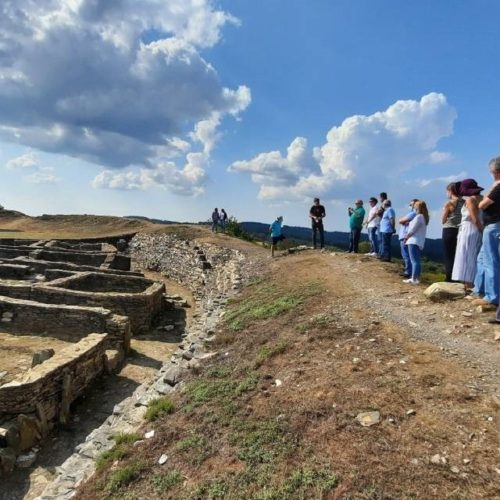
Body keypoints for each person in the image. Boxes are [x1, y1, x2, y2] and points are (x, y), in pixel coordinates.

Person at [473, 157, 500, 307]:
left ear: (495, 172)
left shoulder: (498, 187)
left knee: (491, 262)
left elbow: (483, 205)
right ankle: (483, 291)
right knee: (486, 259)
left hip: (494, 226)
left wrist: (493, 186)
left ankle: (492, 297)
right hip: (495, 226)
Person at [451, 179, 484, 291]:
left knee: (467, 257)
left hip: (469, 229)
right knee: (474, 256)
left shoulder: (470, 200)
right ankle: (472, 284)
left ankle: (469, 285)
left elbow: (474, 218)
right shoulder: (483, 198)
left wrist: (481, 230)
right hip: (476, 230)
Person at [403, 200, 430, 284]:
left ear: (417, 207)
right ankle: (417, 278)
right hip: (418, 241)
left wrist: (406, 237)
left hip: (413, 240)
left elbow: (412, 230)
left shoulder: (419, 217)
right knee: (416, 260)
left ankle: (413, 278)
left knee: (414, 260)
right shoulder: (423, 217)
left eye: (415, 205)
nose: (413, 206)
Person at [441, 182, 464, 282]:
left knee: (449, 255)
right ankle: (457, 277)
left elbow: (443, 220)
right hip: (461, 230)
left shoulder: (449, 203)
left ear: (451, 191)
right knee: (458, 255)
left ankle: (449, 278)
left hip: (449, 230)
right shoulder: (465, 202)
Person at [398, 199, 418, 278]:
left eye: (411, 205)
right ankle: (408, 271)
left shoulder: (412, 213)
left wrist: (403, 220)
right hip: (405, 235)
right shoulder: (413, 214)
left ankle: (408, 271)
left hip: (405, 236)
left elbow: (400, 221)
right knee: (407, 255)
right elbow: (402, 221)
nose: (410, 206)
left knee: (406, 255)